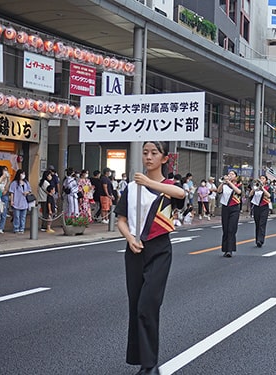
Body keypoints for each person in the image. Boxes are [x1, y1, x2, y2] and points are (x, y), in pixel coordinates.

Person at [114, 141, 186, 375]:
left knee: (148, 305)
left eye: (154, 153)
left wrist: (149, 183)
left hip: (159, 250)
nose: (148, 157)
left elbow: (181, 194)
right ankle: (142, 362)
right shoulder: (131, 188)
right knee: (136, 306)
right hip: (134, 250)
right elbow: (121, 220)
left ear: (165, 158)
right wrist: (130, 238)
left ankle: (150, 365)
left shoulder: (167, 186)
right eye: (145, 153)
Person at [217, 170, 243, 257]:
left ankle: (230, 250)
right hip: (225, 208)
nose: (230, 175)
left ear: (235, 177)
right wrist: (223, 182)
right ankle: (225, 249)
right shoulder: (225, 185)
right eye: (229, 174)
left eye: (232, 174)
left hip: (235, 208)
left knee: (231, 229)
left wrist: (229, 182)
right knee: (225, 228)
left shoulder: (238, 185)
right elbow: (218, 191)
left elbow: (238, 192)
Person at [249, 175, 271, 247]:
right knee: (257, 223)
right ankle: (257, 239)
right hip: (256, 207)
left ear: (266, 180)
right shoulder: (256, 188)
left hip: (264, 207)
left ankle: (260, 240)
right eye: (261, 178)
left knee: (262, 223)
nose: (261, 180)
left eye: (263, 178)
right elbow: (250, 195)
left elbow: (269, 195)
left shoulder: (267, 188)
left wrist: (262, 188)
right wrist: (254, 188)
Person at [8, 169, 31, 234]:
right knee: (17, 216)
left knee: (23, 217)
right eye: (22, 174)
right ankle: (16, 228)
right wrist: (12, 201)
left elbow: (30, 190)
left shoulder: (26, 182)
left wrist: (27, 192)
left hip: (24, 202)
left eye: (24, 174)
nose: (23, 175)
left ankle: (22, 228)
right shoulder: (14, 183)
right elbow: (12, 192)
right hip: (16, 201)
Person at [0, 166, 11, 234]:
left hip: (4, 196)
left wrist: (8, 180)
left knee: (4, 213)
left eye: (6, 170)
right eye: (4, 170)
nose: (6, 171)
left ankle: (1, 228)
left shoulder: (7, 180)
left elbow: (6, 190)